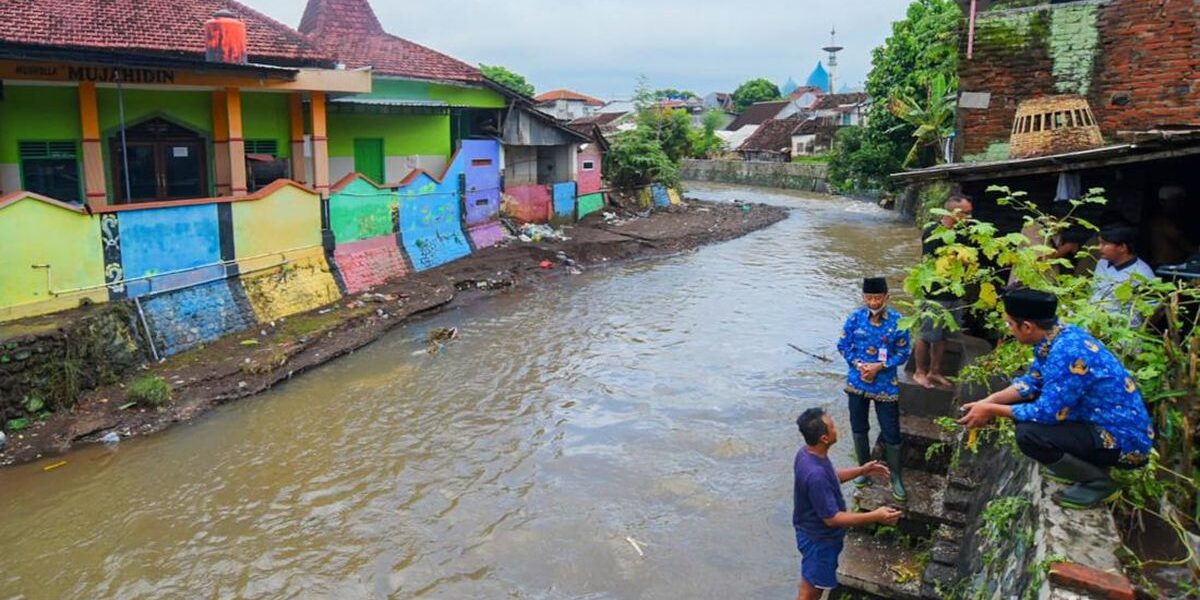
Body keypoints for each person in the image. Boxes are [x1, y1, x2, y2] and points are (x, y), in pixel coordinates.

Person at [957, 289, 1154, 509]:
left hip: (1123, 442)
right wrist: (989, 401)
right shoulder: (1058, 336)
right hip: (1098, 423)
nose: (1010, 330)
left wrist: (992, 410)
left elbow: (1046, 413)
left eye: (1011, 325)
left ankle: (1099, 483)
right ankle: (1078, 467)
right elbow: (1032, 382)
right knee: (1020, 414)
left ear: (1028, 326)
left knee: (1029, 434)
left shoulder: (1067, 353)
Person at [793, 408, 902, 600]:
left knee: (815, 584)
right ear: (824, 438)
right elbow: (832, 519)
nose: (836, 428)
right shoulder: (815, 474)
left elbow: (831, 478)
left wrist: (861, 470)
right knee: (810, 592)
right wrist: (875, 516)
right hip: (819, 540)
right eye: (833, 426)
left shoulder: (807, 455)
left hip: (813, 533)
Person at [837, 277, 912, 501]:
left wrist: (880, 366)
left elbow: (904, 352)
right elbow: (843, 345)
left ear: (887, 297)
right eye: (869, 298)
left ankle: (896, 476)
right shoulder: (855, 318)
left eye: (877, 297)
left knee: (891, 431)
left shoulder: (899, 321)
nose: (873, 302)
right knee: (859, 428)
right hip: (857, 382)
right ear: (863, 297)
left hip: (885, 385)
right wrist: (859, 365)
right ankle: (864, 471)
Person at [915, 194, 973, 389]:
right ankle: (919, 372)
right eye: (965, 213)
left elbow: (967, 261)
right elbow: (931, 261)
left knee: (944, 335)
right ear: (953, 212)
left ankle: (935, 371)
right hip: (935, 292)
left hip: (954, 292)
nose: (968, 217)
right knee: (926, 334)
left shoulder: (962, 233)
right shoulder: (932, 231)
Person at [1091, 225, 1157, 325]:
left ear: (1122, 247)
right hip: (1093, 323)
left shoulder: (1142, 273)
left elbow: (1153, 313)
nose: (1099, 247)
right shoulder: (1102, 263)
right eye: (1099, 243)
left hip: (1121, 331)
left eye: (1104, 244)